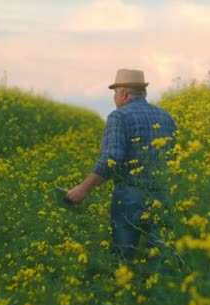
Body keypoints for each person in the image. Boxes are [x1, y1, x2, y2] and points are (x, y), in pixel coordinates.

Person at [66, 68, 177, 262]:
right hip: (163, 194)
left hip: (131, 197)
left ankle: (124, 289)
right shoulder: (166, 117)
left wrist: (83, 190)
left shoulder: (119, 116)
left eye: (115, 93)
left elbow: (111, 160)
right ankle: (157, 291)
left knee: (124, 256)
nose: (115, 99)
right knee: (162, 259)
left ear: (124, 93)